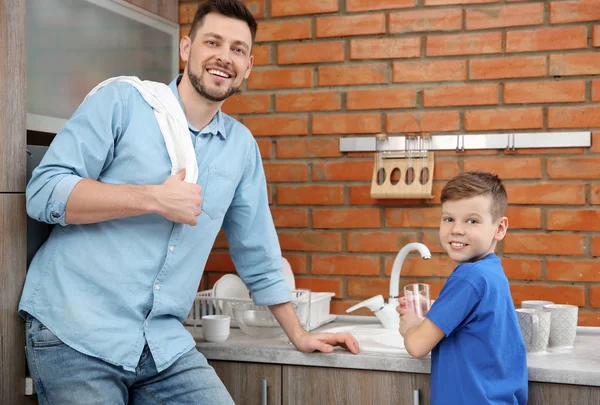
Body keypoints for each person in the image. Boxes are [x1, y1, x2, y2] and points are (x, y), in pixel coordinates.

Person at [19, 1, 358, 404]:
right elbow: (44, 192)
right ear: (186, 49)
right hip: (75, 328)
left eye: (237, 49)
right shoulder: (123, 103)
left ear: (248, 66)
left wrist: (299, 334)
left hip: (161, 345)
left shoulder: (240, 148)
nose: (224, 57)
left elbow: (258, 252)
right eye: (212, 42)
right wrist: (152, 198)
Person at [398, 171, 527, 405]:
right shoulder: (492, 272)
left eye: (472, 221)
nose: (456, 229)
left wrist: (411, 326)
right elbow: (473, 325)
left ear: (500, 228)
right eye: (449, 219)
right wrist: (434, 311)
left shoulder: (467, 277)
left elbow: (417, 346)